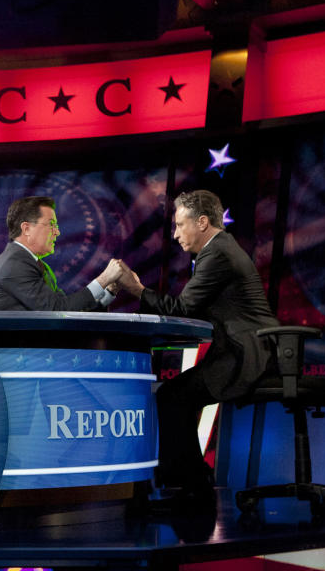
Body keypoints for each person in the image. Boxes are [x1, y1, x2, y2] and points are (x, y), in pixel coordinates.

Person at [116, 190, 278, 511]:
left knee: (172, 397)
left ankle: (192, 489)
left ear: (202, 222)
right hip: (243, 351)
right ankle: (192, 483)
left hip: (246, 356)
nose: (175, 234)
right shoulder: (219, 250)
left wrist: (137, 289)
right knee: (176, 396)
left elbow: (184, 308)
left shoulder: (217, 254)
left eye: (179, 225)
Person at [0, 196, 122, 311]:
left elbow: (68, 310)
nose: (57, 232)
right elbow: (57, 311)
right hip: (2, 348)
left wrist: (108, 292)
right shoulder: (14, 264)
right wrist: (104, 278)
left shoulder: (36, 264)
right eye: (51, 225)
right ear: (26, 229)